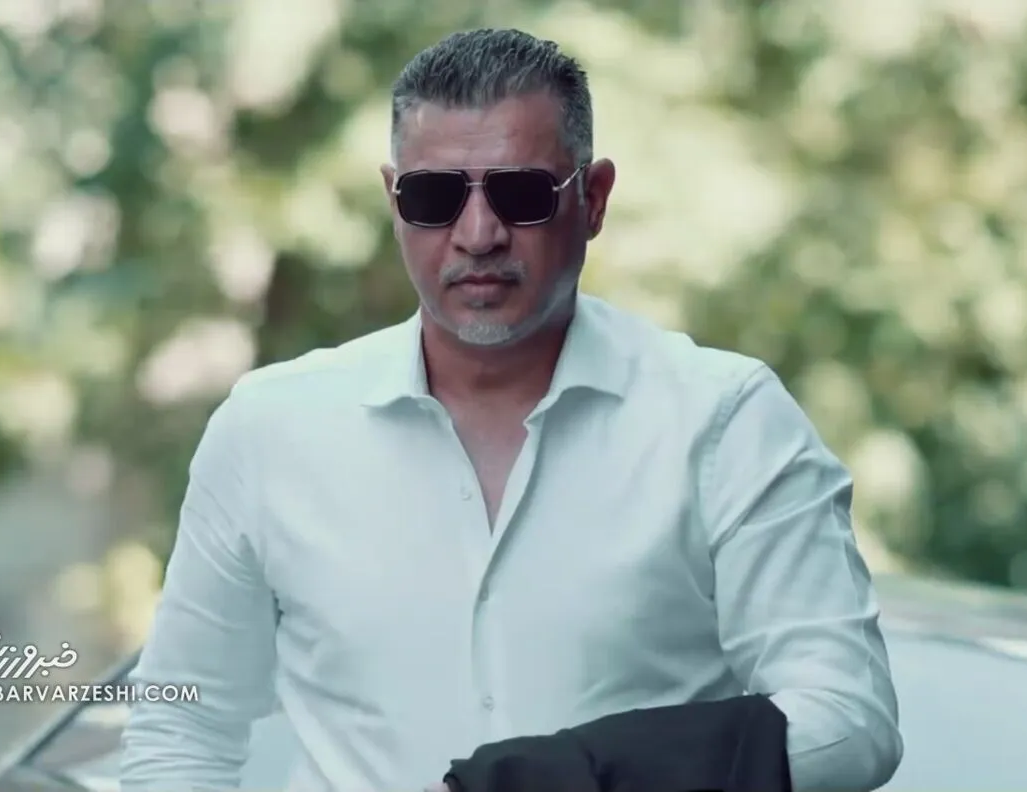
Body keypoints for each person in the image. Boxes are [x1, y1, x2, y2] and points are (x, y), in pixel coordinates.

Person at [120, 27, 903, 792]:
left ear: (593, 199)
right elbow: (179, 725)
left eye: (522, 194)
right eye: (434, 196)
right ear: (394, 201)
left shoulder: (725, 421)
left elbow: (849, 722)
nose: (478, 234)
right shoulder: (269, 429)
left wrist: (573, 775)